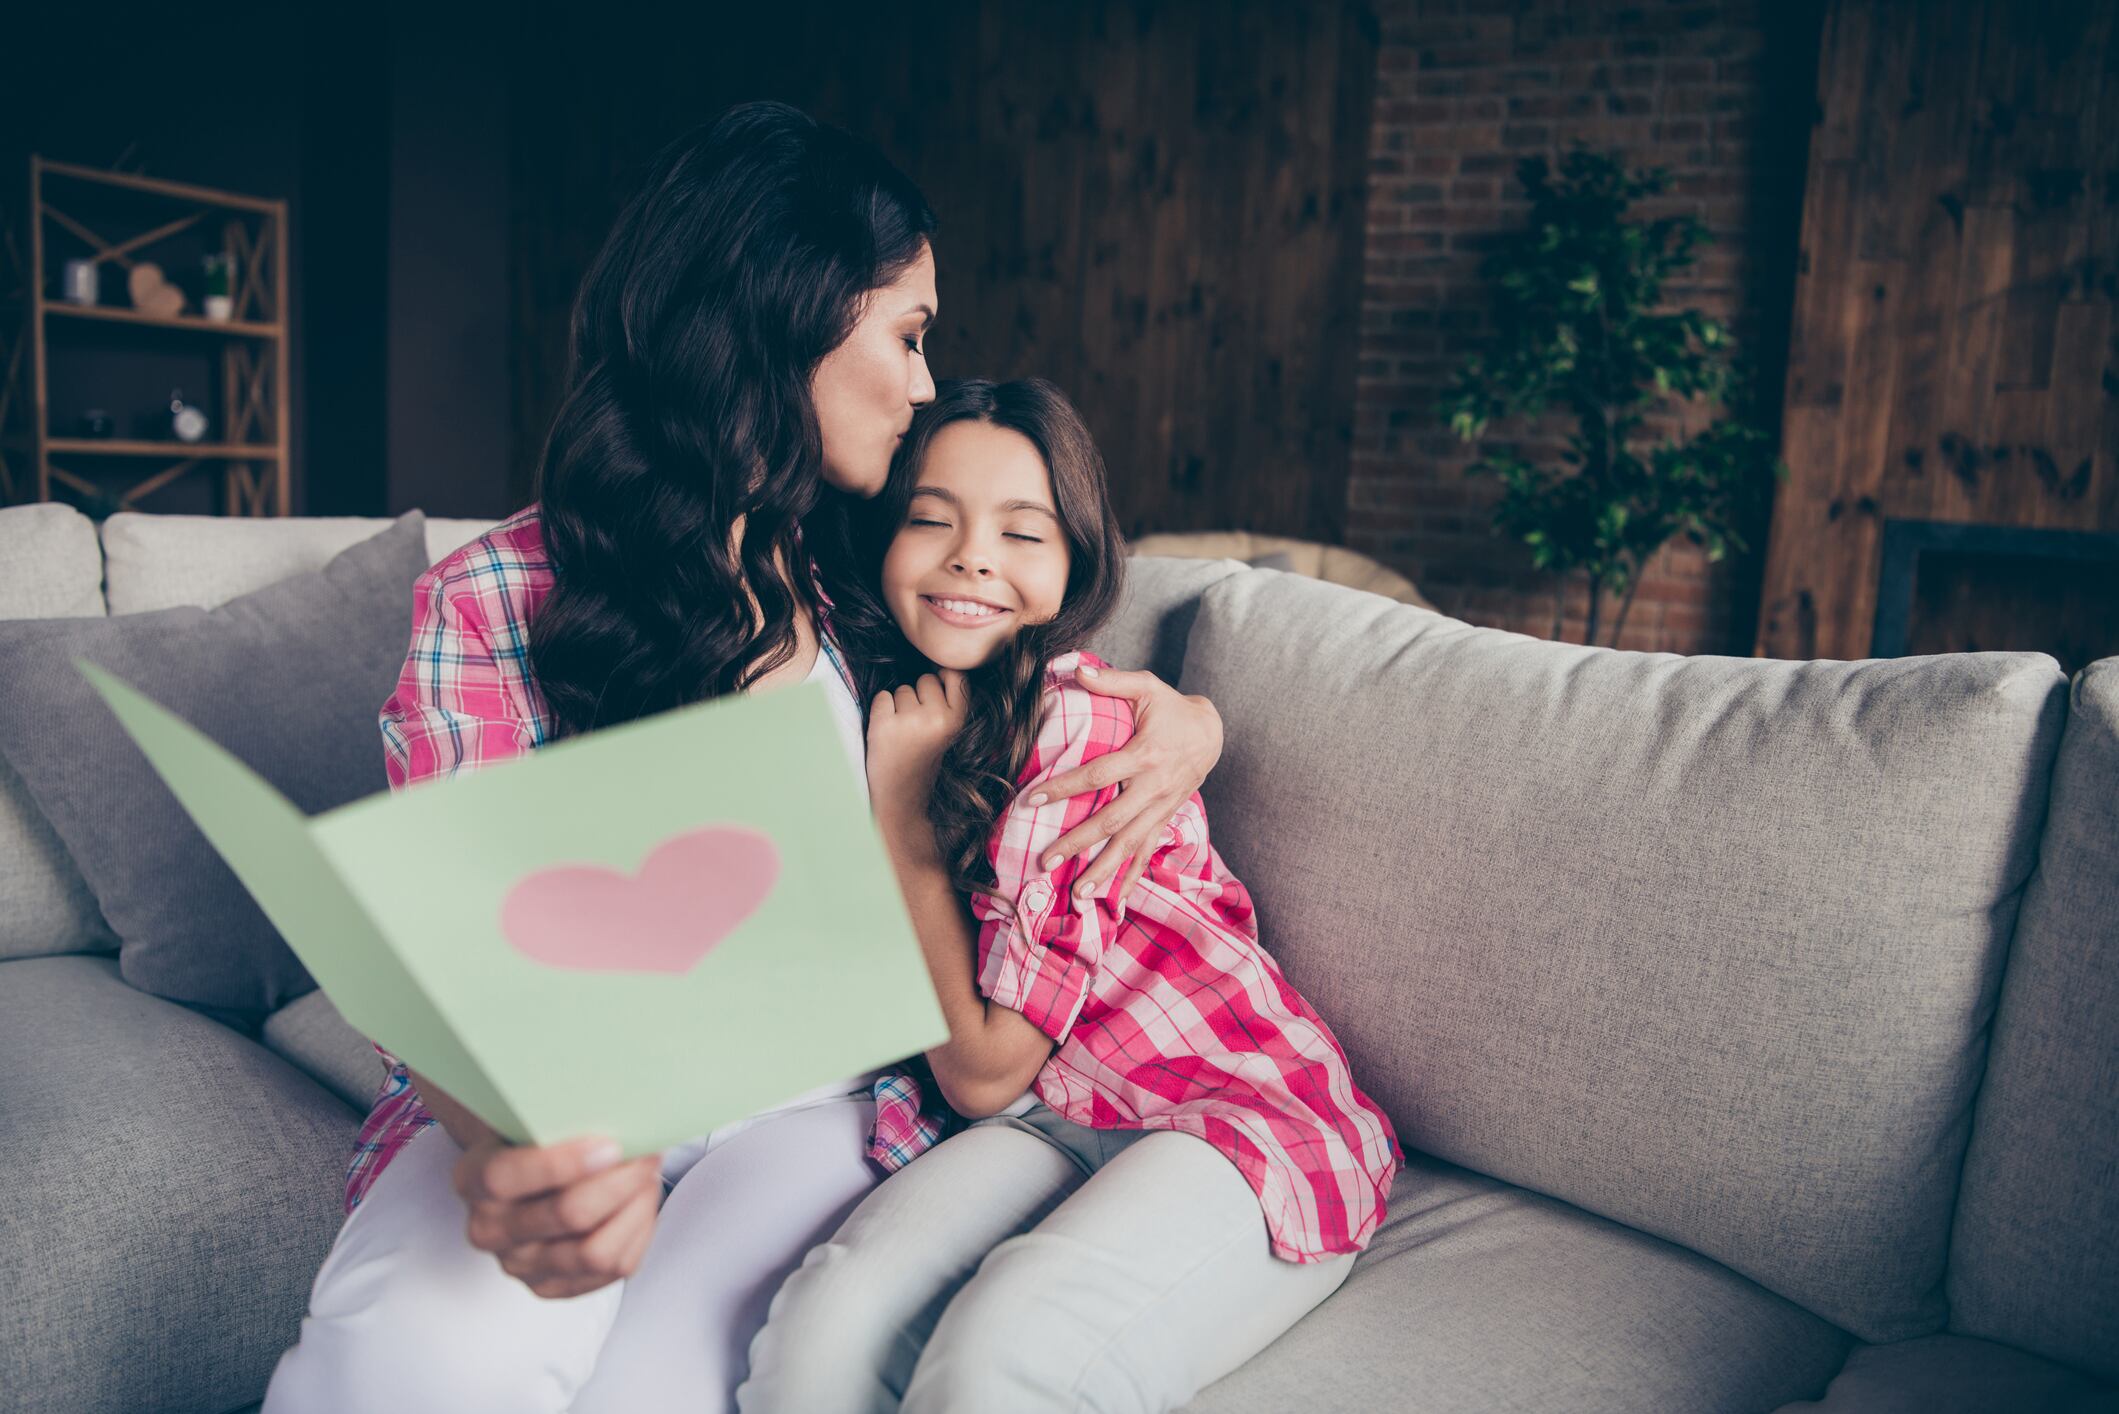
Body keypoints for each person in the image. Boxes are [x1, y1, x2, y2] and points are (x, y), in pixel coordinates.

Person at [263, 105, 1224, 1414]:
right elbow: (434, 945)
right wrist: (504, 1143)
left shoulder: (868, 566)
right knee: (412, 1370)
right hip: (572, 1096)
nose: (924, 382)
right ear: (790, 314)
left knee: (659, 1391)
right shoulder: (499, 593)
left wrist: (1188, 716)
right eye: (908, 331)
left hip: (814, 1108)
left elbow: (1037, 644)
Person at [736, 378, 1400, 1413]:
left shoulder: (1074, 728)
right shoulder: (867, 706)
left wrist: (905, 819)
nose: (971, 557)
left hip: (1227, 1108)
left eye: (1022, 531)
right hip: (1055, 1113)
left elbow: (985, 1069)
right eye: (929, 520)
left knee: (1005, 1352)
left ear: (1074, 565)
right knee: (816, 1335)